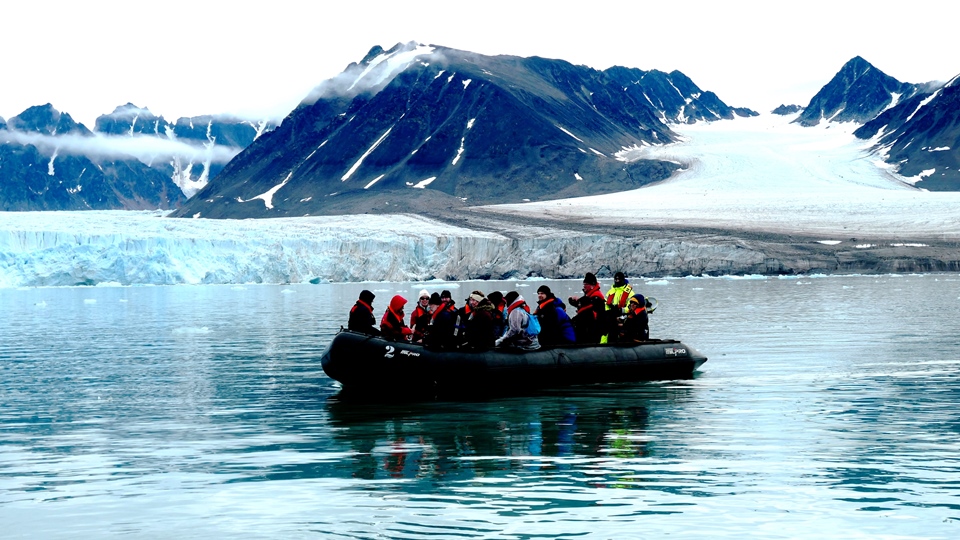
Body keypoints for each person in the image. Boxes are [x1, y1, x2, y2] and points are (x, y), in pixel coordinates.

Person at [568, 272, 608, 342]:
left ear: (592, 285)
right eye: (584, 284)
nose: (584, 286)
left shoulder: (596, 297)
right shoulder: (590, 295)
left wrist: (578, 302)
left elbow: (588, 309)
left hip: (594, 328)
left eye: (586, 284)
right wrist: (576, 303)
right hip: (591, 326)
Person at [604, 272, 634, 342]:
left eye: (619, 279)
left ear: (623, 279)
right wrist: (608, 312)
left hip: (622, 317)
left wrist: (620, 310)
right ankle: (604, 345)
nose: (617, 281)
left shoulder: (630, 293)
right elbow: (606, 304)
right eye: (616, 279)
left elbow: (630, 307)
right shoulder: (611, 291)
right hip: (611, 316)